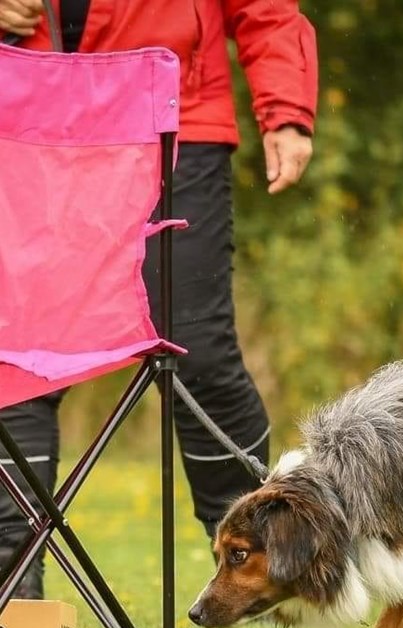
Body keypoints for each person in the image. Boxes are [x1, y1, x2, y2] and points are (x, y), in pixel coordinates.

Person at [0, 0, 317, 597]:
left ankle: (260, 564)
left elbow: (267, 9)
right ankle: (15, 585)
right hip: (28, 113)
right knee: (20, 352)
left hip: (174, 116)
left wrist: (285, 110)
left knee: (197, 349)